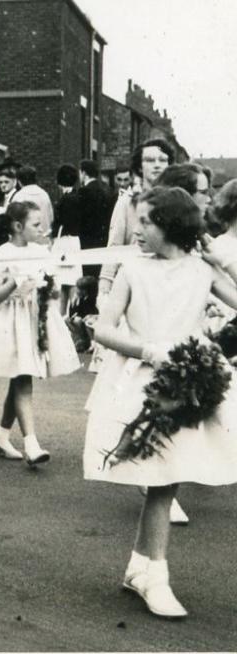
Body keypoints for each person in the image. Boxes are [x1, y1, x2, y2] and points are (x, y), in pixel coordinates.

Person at [83, 187, 237, 619]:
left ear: (171, 225)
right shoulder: (133, 269)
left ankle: (141, 567)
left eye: (147, 221)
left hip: (189, 380)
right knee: (162, 478)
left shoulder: (202, 270)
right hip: (143, 380)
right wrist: (150, 350)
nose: (138, 228)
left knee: (165, 477)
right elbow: (103, 328)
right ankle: (155, 575)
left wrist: (220, 258)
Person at [0, 201, 80, 466]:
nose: (42, 228)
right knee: (23, 379)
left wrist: (49, 280)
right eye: (36, 224)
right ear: (17, 226)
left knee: (20, 378)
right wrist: (15, 280)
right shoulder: (2, 253)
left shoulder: (40, 251)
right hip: (9, 322)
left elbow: (55, 293)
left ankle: (2, 436)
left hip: (34, 319)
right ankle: (31, 443)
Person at [100, 139, 175, 295]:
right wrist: (104, 290)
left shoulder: (176, 202)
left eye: (162, 160)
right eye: (149, 160)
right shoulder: (126, 202)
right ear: (140, 167)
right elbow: (114, 247)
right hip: (133, 285)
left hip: (167, 285)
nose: (157, 165)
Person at [51, 164, 83, 314]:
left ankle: (62, 314)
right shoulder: (77, 197)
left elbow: (59, 223)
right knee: (72, 280)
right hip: (75, 242)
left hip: (64, 242)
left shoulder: (64, 200)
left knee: (64, 281)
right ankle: (73, 313)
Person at [77, 160, 115, 275]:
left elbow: (82, 218)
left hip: (88, 241)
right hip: (104, 238)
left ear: (83, 173)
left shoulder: (84, 191)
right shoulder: (107, 189)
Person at [10, 165, 54, 240]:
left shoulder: (18, 197)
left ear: (19, 181)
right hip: (44, 238)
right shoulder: (44, 194)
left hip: (26, 241)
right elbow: (51, 218)